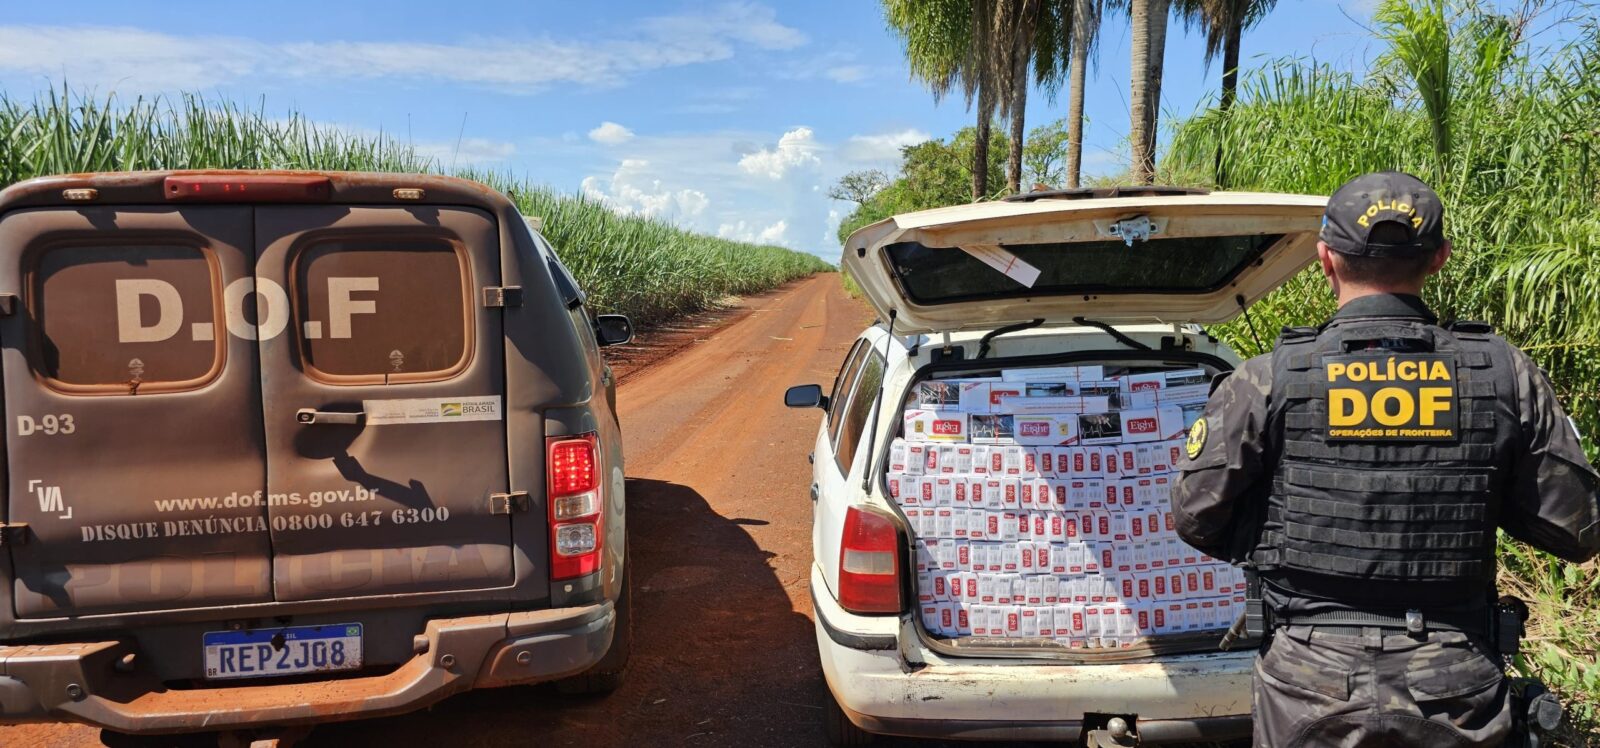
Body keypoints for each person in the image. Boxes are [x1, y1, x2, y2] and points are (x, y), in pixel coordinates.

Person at [1172, 171, 1600, 747]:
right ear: (1440, 257)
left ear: (1324, 259)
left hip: (1308, 680)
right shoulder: (1503, 375)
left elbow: (1195, 517)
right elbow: (1579, 530)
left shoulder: (1268, 378)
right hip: (1456, 681)